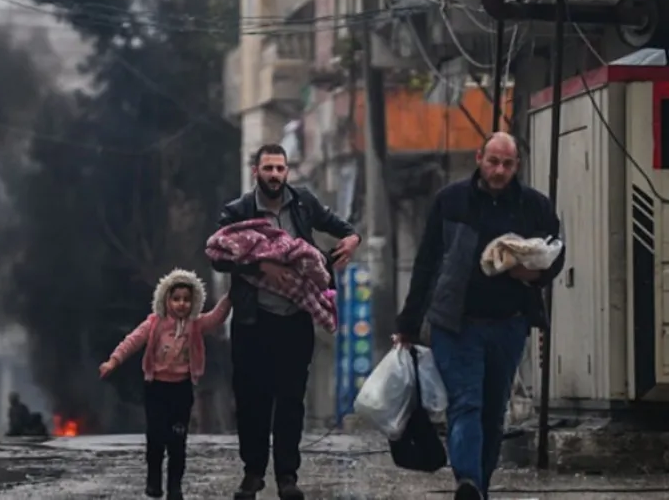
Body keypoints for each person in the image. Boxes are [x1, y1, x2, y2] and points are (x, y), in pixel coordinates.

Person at [394, 132, 565, 500]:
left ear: (517, 165)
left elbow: (555, 252)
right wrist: (408, 322)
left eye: (507, 164)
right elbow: (426, 263)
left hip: (509, 324)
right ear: (479, 158)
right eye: (493, 162)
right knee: (465, 403)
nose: (499, 170)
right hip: (456, 324)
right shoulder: (451, 200)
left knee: (493, 412)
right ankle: (467, 480)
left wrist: (533, 273)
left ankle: (478, 487)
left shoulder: (534, 206)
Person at [210, 143, 360, 500]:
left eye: (280, 168)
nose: (275, 175)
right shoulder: (238, 211)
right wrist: (260, 265)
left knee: (291, 400)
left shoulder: (303, 203)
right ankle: (253, 473)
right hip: (253, 321)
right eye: (268, 168)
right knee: (252, 401)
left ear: (287, 171)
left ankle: (287, 476)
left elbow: (340, 226)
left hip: (295, 319)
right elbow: (218, 257)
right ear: (256, 172)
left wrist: (353, 239)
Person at [100, 269, 232, 500]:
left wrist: (231, 296)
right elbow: (133, 340)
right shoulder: (154, 323)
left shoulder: (195, 325)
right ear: (166, 299)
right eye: (176, 298)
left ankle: (174, 487)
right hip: (156, 389)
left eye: (186, 299)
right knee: (156, 438)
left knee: (177, 442)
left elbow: (216, 317)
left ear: (194, 301)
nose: (181, 304)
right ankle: (154, 481)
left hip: (181, 390)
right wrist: (114, 360)